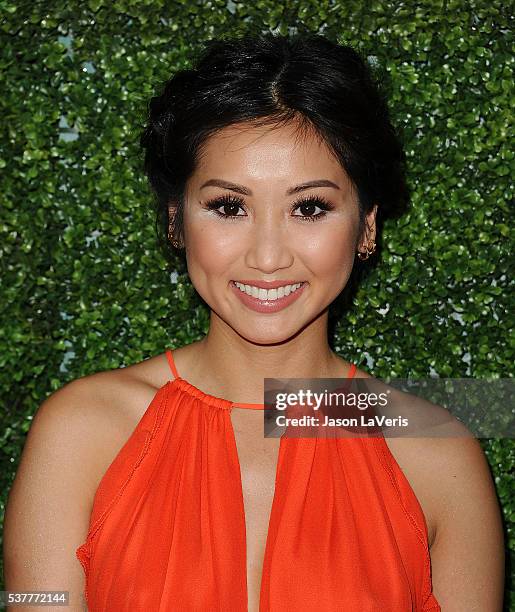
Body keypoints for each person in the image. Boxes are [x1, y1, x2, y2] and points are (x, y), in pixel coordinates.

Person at [4, 33, 504, 611]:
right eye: (229, 207)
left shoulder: (434, 449)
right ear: (176, 221)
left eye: (310, 207)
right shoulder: (81, 430)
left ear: (366, 226)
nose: (268, 257)